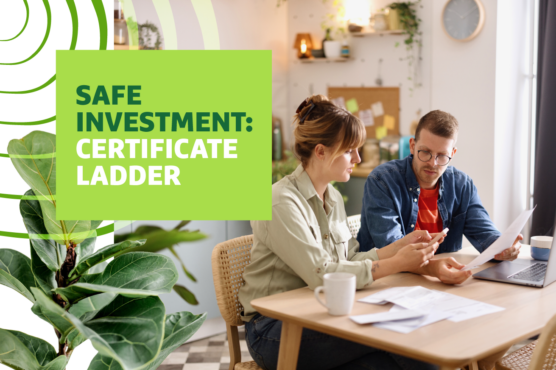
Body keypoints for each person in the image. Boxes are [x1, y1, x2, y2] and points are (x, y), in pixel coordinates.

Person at [238, 95, 443, 370]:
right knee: (398, 335)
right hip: (275, 329)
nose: (357, 158)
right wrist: (397, 263)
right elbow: (321, 274)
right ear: (320, 151)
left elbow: (346, 260)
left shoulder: (332, 196)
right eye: (350, 150)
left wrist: (398, 247)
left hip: (320, 311)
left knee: (395, 361)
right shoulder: (279, 202)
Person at [357, 110, 523, 286]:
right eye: (425, 152)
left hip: (438, 282)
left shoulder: (462, 184)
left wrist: (503, 247)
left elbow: (485, 233)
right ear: (412, 146)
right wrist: (433, 268)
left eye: (442, 155)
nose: (432, 163)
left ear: (453, 153)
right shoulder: (382, 180)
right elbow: (392, 249)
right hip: (383, 282)